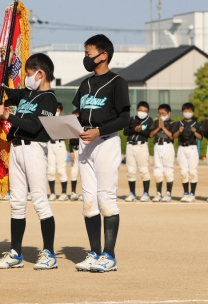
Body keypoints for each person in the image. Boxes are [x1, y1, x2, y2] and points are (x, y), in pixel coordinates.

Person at [0, 48, 59, 270]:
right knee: (17, 203)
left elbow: (34, 125)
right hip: (17, 148)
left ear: (40, 74)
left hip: (34, 149)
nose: (26, 78)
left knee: (39, 201)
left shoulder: (49, 99)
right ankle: (15, 252)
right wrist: (6, 63)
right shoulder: (28, 94)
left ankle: (49, 252)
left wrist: (9, 115)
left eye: (29, 74)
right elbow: (5, 90)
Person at [72, 34, 130, 273]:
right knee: (88, 200)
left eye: (89, 53)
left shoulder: (117, 82)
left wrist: (99, 131)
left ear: (103, 55)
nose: (86, 58)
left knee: (106, 198)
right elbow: (79, 113)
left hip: (106, 142)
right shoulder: (85, 84)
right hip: (86, 143)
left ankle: (109, 255)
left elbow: (125, 118)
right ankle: (94, 253)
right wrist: (67, 124)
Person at [123, 101, 153, 202]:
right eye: (140, 110)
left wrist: (141, 131)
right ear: (136, 110)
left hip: (141, 146)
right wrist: (134, 130)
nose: (142, 112)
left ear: (148, 112)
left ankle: (146, 193)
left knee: (144, 170)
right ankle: (132, 193)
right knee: (130, 171)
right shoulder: (131, 119)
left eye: (145, 111)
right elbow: (125, 132)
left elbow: (149, 134)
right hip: (130, 145)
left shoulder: (149, 120)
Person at [172, 102, 202, 202]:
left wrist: (194, 131)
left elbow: (200, 137)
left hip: (192, 148)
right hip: (182, 148)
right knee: (183, 171)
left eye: (189, 111)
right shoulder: (179, 123)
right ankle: (185, 193)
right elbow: (173, 136)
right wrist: (179, 131)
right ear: (182, 112)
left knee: (193, 171)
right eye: (185, 111)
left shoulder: (195, 124)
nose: (187, 113)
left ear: (193, 112)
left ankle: (192, 193)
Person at [149, 104, 177, 202]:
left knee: (168, 169)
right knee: (157, 169)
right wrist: (158, 127)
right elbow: (151, 134)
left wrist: (163, 127)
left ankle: (168, 193)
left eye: (163, 113)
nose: (161, 115)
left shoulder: (173, 123)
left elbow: (172, 136)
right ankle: (158, 193)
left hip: (168, 146)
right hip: (157, 146)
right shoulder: (156, 122)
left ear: (169, 113)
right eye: (160, 113)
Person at [47, 103, 70, 201]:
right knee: (50, 170)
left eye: (58, 110)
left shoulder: (64, 122)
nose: (56, 112)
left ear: (61, 111)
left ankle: (64, 193)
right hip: (50, 145)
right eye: (54, 110)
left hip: (60, 145)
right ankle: (52, 193)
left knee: (61, 170)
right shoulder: (48, 121)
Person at [68, 109, 81, 201]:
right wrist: (71, 152)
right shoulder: (71, 128)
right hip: (75, 150)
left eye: (77, 115)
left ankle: (86, 193)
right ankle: (73, 192)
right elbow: (70, 141)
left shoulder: (84, 127)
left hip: (83, 151)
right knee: (73, 172)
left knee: (85, 173)